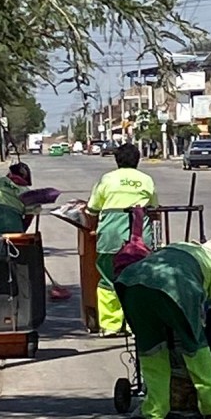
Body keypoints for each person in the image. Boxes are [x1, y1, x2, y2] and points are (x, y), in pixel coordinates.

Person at [115, 237, 211, 419]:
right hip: (174, 288)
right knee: (196, 352)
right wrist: (205, 343)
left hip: (131, 283)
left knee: (152, 349)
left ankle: (154, 410)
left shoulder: (178, 247)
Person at [85, 143, 158, 336]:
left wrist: (93, 225)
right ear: (138, 160)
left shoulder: (107, 180)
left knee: (108, 279)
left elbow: (92, 209)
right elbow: (154, 207)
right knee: (138, 280)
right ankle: (136, 325)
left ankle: (110, 326)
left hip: (111, 235)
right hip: (139, 237)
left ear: (117, 160)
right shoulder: (146, 180)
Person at [0, 162, 39, 233]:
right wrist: (22, 231)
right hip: (14, 229)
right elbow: (29, 216)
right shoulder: (28, 193)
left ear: (10, 173)